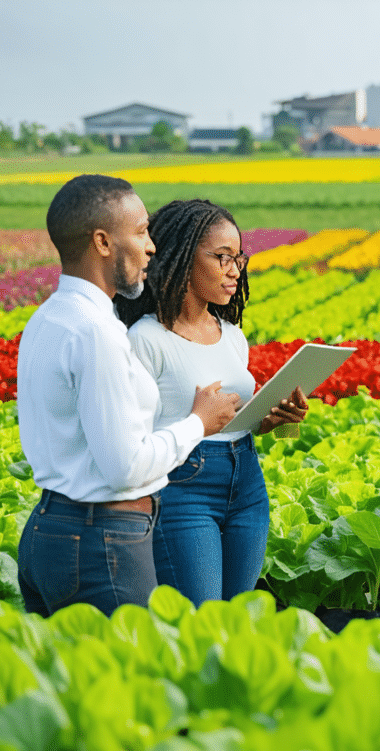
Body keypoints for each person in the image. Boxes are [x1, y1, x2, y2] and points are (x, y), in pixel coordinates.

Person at [16, 175, 240, 616]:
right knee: (126, 679)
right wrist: (198, 422)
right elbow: (124, 467)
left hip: (48, 532)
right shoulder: (98, 332)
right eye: (140, 232)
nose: (151, 246)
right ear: (102, 241)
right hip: (103, 540)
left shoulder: (48, 318)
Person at [115, 199, 308, 606]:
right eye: (221, 257)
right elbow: (132, 440)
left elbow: (234, 420)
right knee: (200, 622)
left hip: (247, 482)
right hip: (184, 489)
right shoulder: (145, 339)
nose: (234, 270)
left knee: (238, 618)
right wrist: (196, 421)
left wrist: (272, 419)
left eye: (238, 258)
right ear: (182, 259)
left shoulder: (232, 334)